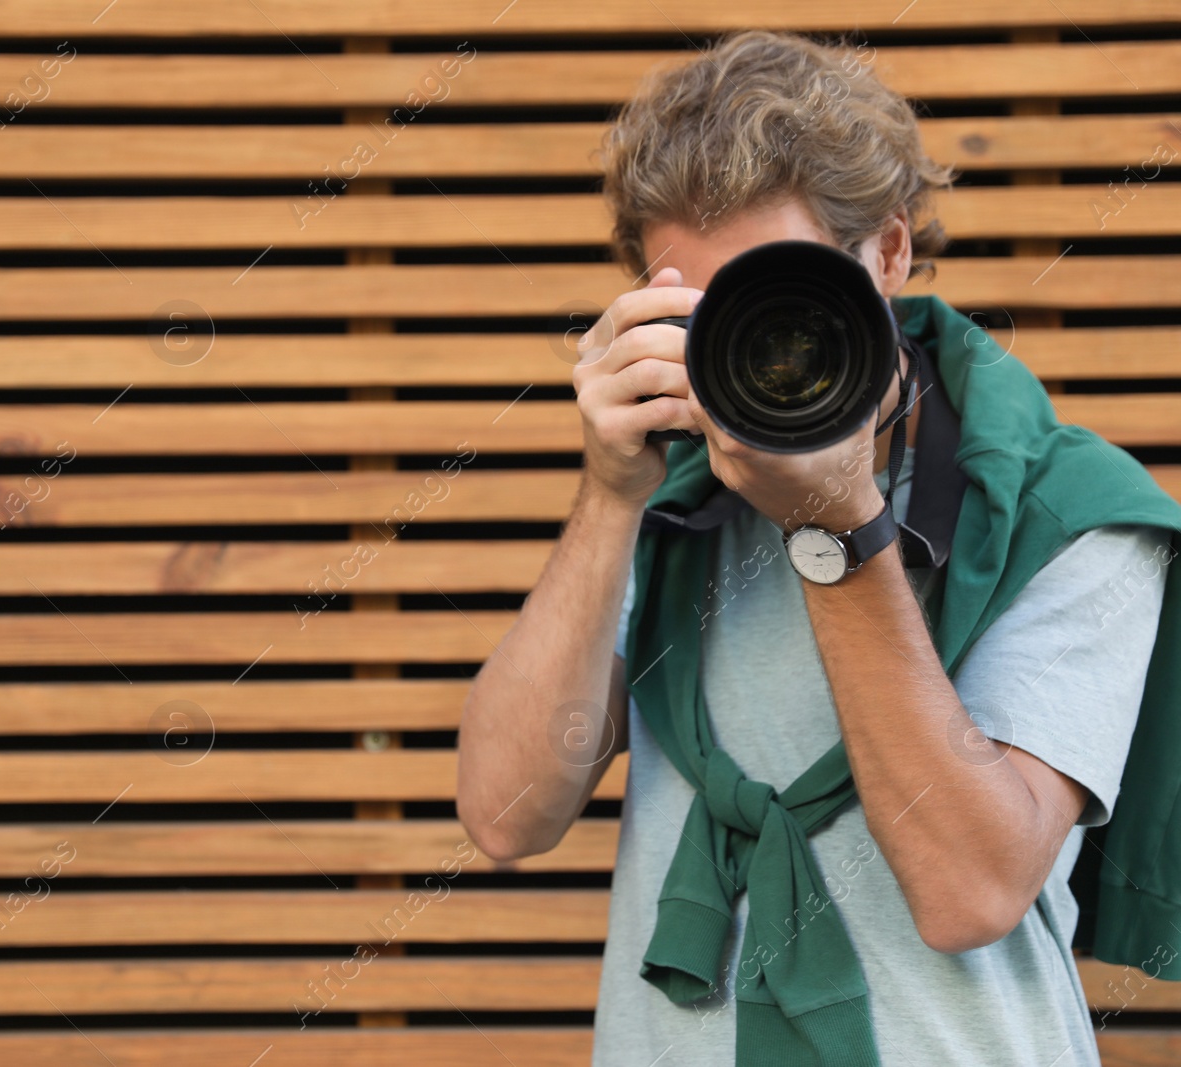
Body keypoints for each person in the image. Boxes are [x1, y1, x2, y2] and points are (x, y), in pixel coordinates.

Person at [455, 30, 1180, 1067]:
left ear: (887, 251)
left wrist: (835, 522)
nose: (760, 343)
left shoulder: (1071, 510)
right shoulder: (663, 480)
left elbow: (970, 887)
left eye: (783, 294)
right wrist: (609, 495)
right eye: (708, 310)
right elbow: (506, 813)